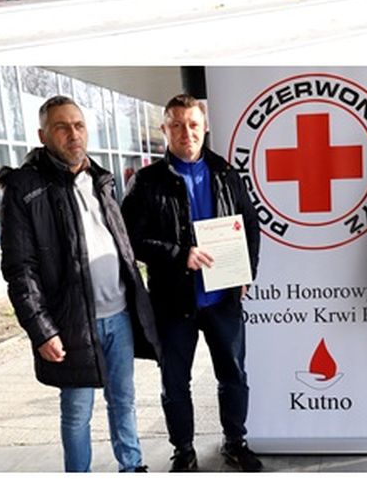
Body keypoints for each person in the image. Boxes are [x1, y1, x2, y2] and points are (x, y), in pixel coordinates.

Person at [0, 96, 158, 472]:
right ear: (43, 135)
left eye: (79, 125)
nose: (73, 134)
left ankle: (132, 466)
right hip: (70, 323)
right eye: (62, 127)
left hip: (118, 315)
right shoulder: (25, 188)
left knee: (124, 399)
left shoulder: (100, 179)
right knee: (76, 413)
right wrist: (41, 331)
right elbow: (20, 269)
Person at [122, 96, 263, 473]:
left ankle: (236, 442)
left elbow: (250, 226)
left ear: (204, 128)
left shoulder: (226, 173)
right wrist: (178, 253)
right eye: (178, 125)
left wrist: (248, 272)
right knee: (175, 382)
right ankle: (183, 450)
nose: (187, 132)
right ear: (164, 129)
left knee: (233, 374)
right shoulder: (147, 181)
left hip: (223, 298)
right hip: (173, 301)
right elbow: (130, 238)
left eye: (193, 125)